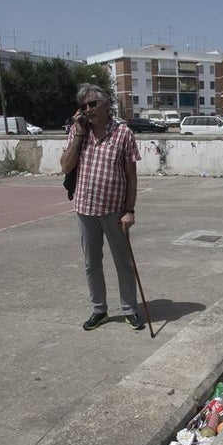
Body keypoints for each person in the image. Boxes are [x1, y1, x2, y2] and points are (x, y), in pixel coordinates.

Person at [60, 83, 144, 331]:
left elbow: (131, 175)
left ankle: (130, 309)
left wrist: (130, 210)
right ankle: (99, 310)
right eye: (84, 106)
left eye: (93, 104)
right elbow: (65, 166)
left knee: (123, 263)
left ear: (107, 104)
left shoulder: (123, 134)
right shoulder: (78, 132)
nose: (88, 109)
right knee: (91, 263)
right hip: (85, 209)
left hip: (115, 210)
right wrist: (77, 134)